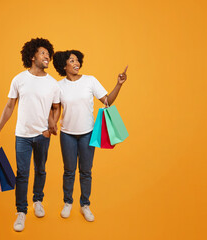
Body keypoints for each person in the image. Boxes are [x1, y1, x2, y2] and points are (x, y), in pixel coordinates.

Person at [0, 38, 61, 232]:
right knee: (22, 174)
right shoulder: (19, 79)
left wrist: (51, 125)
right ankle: (21, 211)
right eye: (42, 53)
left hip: (42, 135)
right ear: (32, 56)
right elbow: (9, 106)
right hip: (22, 135)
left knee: (40, 169)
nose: (47, 56)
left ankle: (38, 200)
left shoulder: (53, 84)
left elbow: (56, 108)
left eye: (48, 53)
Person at [52, 50, 127, 221]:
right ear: (64, 65)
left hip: (87, 134)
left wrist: (119, 84)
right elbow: (55, 109)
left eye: (78, 60)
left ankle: (85, 205)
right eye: (72, 61)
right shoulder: (59, 86)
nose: (76, 63)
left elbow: (107, 100)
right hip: (67, 134)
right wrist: (51, 125)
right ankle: (68, 203)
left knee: (86, 171)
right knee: (69, 171)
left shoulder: (90, 80)